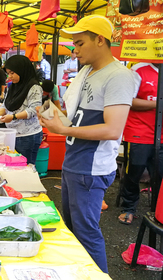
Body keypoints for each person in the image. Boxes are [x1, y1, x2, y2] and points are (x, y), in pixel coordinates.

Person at [38, 15, 134, 273]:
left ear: (100, 40)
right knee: (72, 231)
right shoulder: (85, 71)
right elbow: (75, 115)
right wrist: (52, 115)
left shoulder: (119, 76)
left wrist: (64, 128)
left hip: (91, 168)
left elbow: (113, 129)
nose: (75, 50)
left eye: (80, 43)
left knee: (86, 234)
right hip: (74, 161)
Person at [119, 62, 163, 225]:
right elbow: (127, 100)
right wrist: (158, 103)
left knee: (160, 174)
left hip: (161, 135)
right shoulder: (139, 70)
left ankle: (158, 211)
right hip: (139, 132)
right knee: (134, 172)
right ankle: (128, 208)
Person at [0, 55, 43, 164]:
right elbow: (5, 105)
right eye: (8, 73)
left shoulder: (34, 87)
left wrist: (13, 117)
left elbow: (34, 110)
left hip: (28, 136)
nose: (9, 76)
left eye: (12, 73)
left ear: (21, 70)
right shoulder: (12, 86)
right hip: (13, 133)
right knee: (14, 165)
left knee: (26, 167)